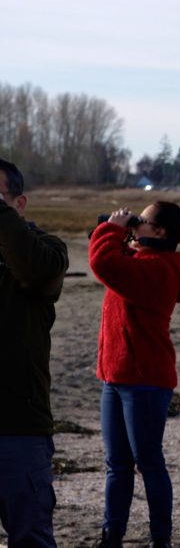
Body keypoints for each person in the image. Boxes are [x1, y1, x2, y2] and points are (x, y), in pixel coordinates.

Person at [88, 202, 180, 548]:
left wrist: (111, 229)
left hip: (145, 379)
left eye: (141, 220)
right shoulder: (143, 262)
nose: (134, 222)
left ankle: (161, 539)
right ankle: (112, 536)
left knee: (149, 463)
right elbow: (112, 260)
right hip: (116, 376)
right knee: (117, 465)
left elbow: (102, 262)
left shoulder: (161, 270)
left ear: (160, 232)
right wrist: (119, 231)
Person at [0, 158, 68, 548]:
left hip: (19, 428)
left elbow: (33, 270)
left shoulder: (49, 252)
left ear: (19, 204)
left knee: (30, 538)